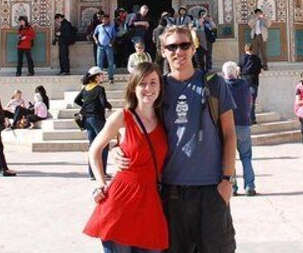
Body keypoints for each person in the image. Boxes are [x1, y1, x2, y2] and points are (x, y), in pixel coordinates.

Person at [152, 24, 237, 251]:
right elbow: (137, 125)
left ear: (193, 48)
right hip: (172, 191)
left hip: (211, 188)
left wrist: (227, 181)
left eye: (184, 45)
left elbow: (229, 133)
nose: (178, 52)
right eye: (172, 47)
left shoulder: (214, 83)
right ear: (163, 51)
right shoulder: (157, 88)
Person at [83, 62, 169, 253]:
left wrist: (116, 147)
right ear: (133, 87)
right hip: (121, 202)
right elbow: (94, 149)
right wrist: (99, 182)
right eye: (143, 83)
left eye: (154, 82)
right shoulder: (122, 117)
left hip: (150, 202)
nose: (148, 88)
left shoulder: (165, 118)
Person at [223, 61, 255, 196]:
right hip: (244, 125)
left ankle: (233, 187)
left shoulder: (223, 87)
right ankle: (249, 186)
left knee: (230, 158)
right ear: (236, 72)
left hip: (228, 126)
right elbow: (250, 101)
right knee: (246, 157)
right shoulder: (245, 85)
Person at [76, 66, 113, 179]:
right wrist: (109, 106)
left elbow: (76, 100)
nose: (103, 76)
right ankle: (102, 173)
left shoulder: (85, 88)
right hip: (97, 118)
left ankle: (92, 173)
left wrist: (87, 107)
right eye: (101, 74)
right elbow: (103, 102)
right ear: (96, 77)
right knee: (104, 144)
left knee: (92, 146)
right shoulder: (99, 89)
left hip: (87, 119)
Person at [239, 43, 263, 124]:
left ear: (245, 49)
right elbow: (260, 71)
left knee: (244, 100)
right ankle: (252, 119)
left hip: (244, 81)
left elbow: (238, 69)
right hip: (253, 81)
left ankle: (245, 118)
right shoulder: (257, 59)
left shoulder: (242, 58)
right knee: (252, 101)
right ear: (252, 49)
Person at [93, 14, 117, 84]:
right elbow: (94, 34)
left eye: (107, 19)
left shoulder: (111, 27)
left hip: (108, 46)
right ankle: (100, 78)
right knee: (99, 62)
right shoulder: (99, 27)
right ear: (102, 20)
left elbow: (114, 36)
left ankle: (111, 77)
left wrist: (111, 43)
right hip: (100, 46)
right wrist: (96, 40)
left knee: (110, 62)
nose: (105, 20)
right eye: (104, 19)